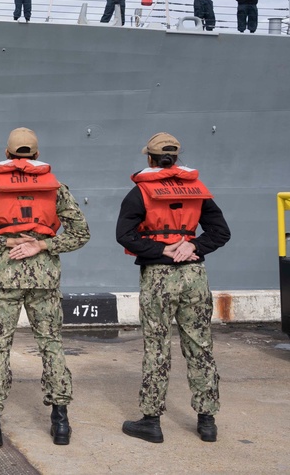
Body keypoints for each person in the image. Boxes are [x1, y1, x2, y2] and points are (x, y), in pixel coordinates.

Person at [0, 128, 90, 448]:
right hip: (44, 279)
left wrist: (5, 241)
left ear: (7, 154)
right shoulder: (56, 188)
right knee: (51, 346)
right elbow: (81, 233)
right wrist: (42, 246)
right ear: (35, 155)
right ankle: (61, 423)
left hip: (4, 279)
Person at [117, 133, 230, 444]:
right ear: (176, 159)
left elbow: (125, 235)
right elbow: (221, 232)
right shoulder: (198, 190)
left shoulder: (139, 193)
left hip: (158, 276)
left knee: (157, 347)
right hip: (194, 274)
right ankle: (207, 422)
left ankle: (151, 421)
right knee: (200, 345)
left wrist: (161, 250)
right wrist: (191, 246)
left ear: (150, 159)